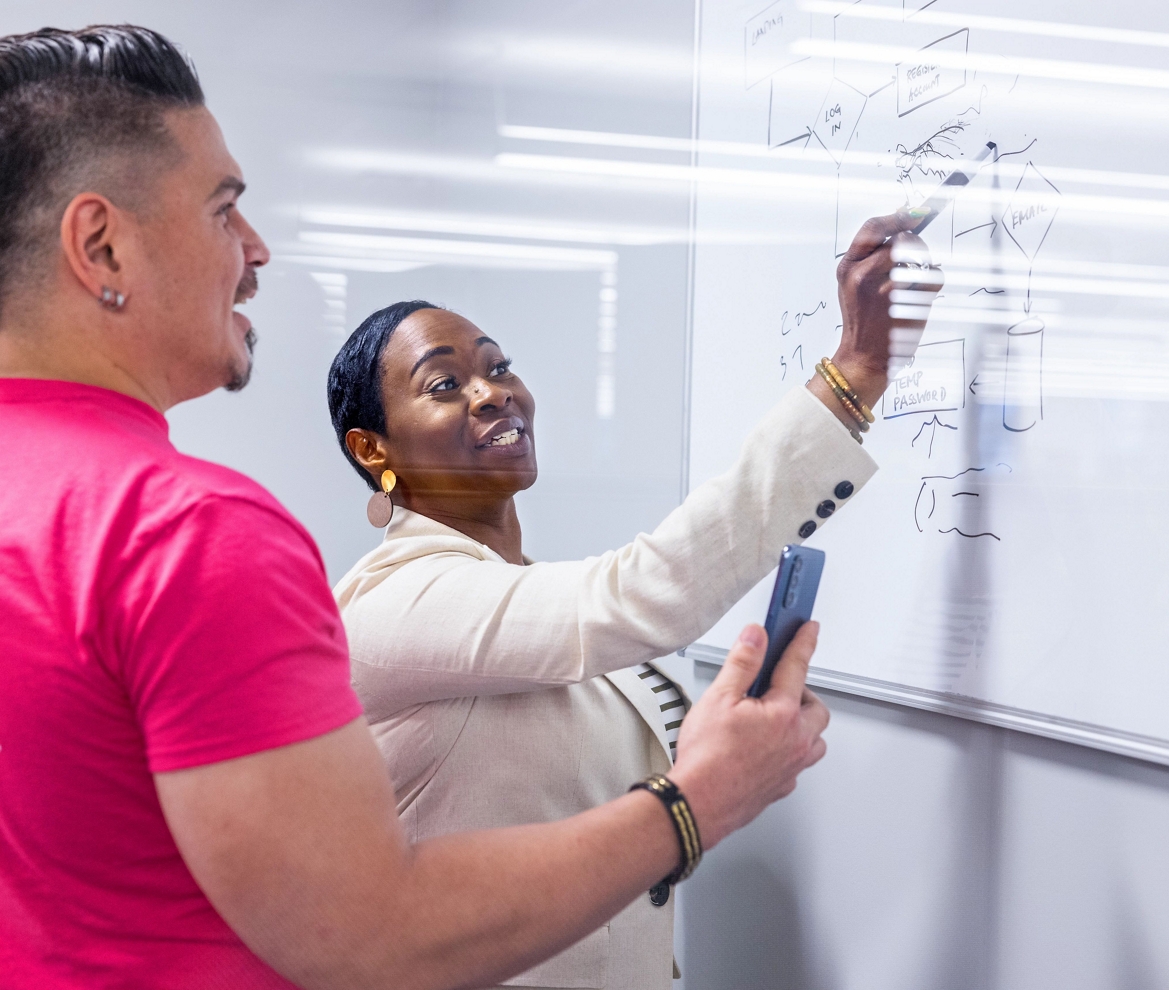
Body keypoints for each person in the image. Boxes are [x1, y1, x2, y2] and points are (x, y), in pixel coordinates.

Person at [0, 25, 836, 990]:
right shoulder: (184, 532)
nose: (256, 249)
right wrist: (695, 804)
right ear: (101, 245)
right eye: (224, 210)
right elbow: (369, 935)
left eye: (497, 368)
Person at [327, 224, 939, 986]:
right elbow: (644, 596)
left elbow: (625, 795)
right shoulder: (396, 602)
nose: (493, 393)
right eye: (445, 385)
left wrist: (732, 728)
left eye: (499, 368)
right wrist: (855, 374)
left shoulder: (523, 597)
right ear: (372, 450)